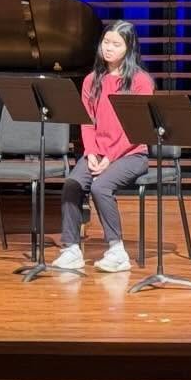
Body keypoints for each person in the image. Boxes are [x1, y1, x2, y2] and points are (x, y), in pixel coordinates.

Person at [52, 20, 153, 273]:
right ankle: (71, 249)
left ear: (129, 48)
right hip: (99, 153)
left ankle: (117, 251)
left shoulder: (140, 82)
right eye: (106, 42)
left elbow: (135, 130)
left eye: (116, 44)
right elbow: (87, 123)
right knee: (72, 184)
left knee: (101, 186)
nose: (108, 48)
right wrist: (92, 153)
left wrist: (110, 157)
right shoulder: (91, 80)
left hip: (131, 154)